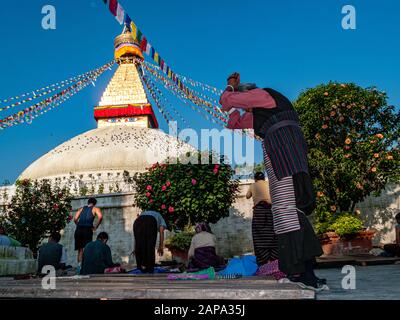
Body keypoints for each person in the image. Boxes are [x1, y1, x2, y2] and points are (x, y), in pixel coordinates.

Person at [220, 72, 325, 290]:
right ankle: (306, 274)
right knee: (288, 211)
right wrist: (235, 110)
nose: (247, 110)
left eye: (246, 104)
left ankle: (300, 273)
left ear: (248, 94)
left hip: (284, 150)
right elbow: (233, 124)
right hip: (281, 152)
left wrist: (230, 86)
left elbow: (226, 100)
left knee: (287, 211)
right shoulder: (262, 111)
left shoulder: (264, 95)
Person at [246, 172, 278, 266]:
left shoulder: (253, 185)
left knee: (259, 235)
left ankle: (263, 262)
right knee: (273, 233)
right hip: (270, 211)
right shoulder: (269, 184)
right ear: (264, 178)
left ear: (255, 179)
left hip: (259, 212)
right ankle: (275, 261)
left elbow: (247, 196)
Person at [74, 197, 103, 264]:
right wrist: (96, 227)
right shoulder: (95, 208)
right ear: (95, 203)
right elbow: (100, 217)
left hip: (78, 230)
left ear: (88, 202)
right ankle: (86, 267)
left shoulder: (81, 209)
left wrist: (79, 225)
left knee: (80, 250)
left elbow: (75, 219)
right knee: (87, 249)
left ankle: (79, 268)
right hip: (87, 229)